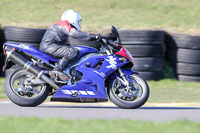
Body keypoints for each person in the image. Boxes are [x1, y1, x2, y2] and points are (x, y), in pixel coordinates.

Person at [40, 10, 100, 79]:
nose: (79, 24)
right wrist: (91, 36)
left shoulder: (62, 26)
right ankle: (57, 69)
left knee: (73, 52)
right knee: (72, 51)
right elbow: (73, 33)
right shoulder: (64, 23)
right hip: (49, 46)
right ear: (74, 19)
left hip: (51, 46)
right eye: (78, 21)